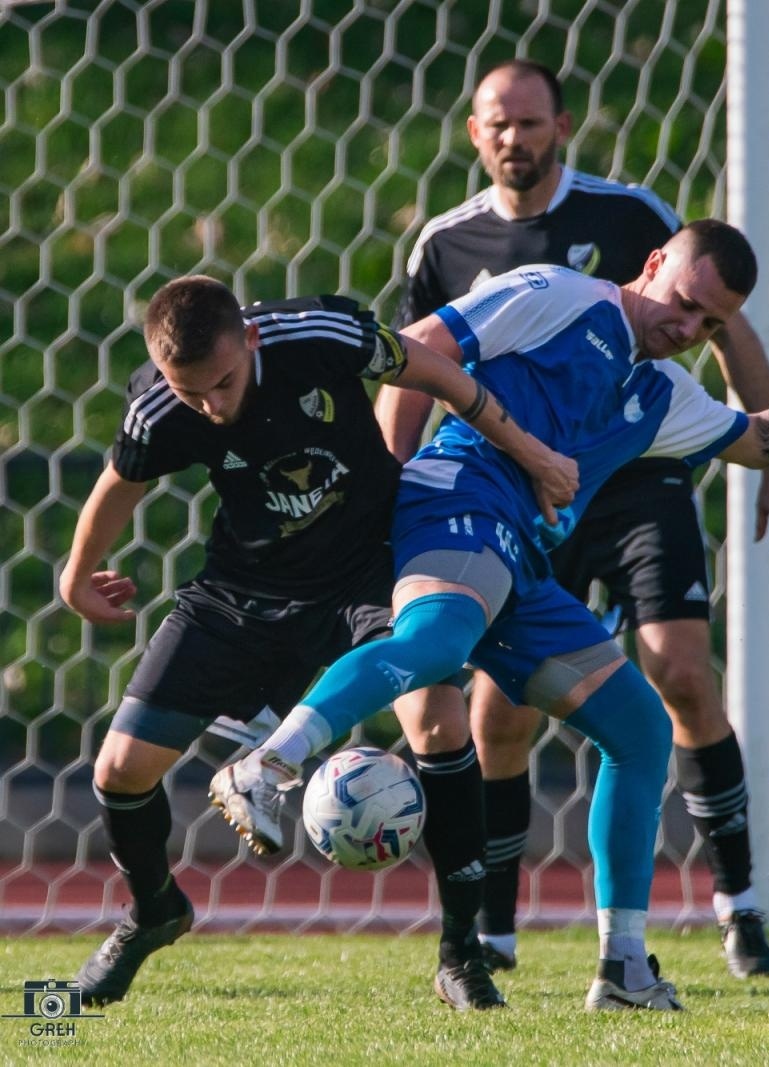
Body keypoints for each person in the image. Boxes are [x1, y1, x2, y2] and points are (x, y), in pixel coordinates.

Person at [209, 220, 769, 1012]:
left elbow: (760, 439)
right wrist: (385, 482)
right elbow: (419, 346)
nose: (688, 329)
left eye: (709, 324)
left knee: (640, 730)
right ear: (652, 264)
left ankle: (624, 967)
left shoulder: (665, 396)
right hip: (456, 496)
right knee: (436, 643)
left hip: (522, 567)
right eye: (683, 303)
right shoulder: (558, 294)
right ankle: (267, 763)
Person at [393, 59, 769, 979]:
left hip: (634, 479)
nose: (516, 139)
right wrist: (398, 484)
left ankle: (740, 906)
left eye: (531, 122)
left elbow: (724, 323)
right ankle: (495, 930)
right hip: (522, 492)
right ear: (474, 132)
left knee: (682, 673)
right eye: (498, 124)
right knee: (497, 708)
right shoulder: (445, 243)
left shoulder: (630, 217)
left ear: (561, 126)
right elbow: (415, 365)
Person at [59, 275, 565, 1008]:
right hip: (246, 587)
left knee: (440, 720)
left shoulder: (321, 337)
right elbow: (119, 483)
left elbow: (440, 372)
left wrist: (531, 455)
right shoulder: (161, 405)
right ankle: (154, 911)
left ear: (252, 339)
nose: (212, 405)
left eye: (224, 384)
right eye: (192, 392)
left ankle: (462, 952)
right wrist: (76, 577)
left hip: (375, 563)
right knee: (119, 769)